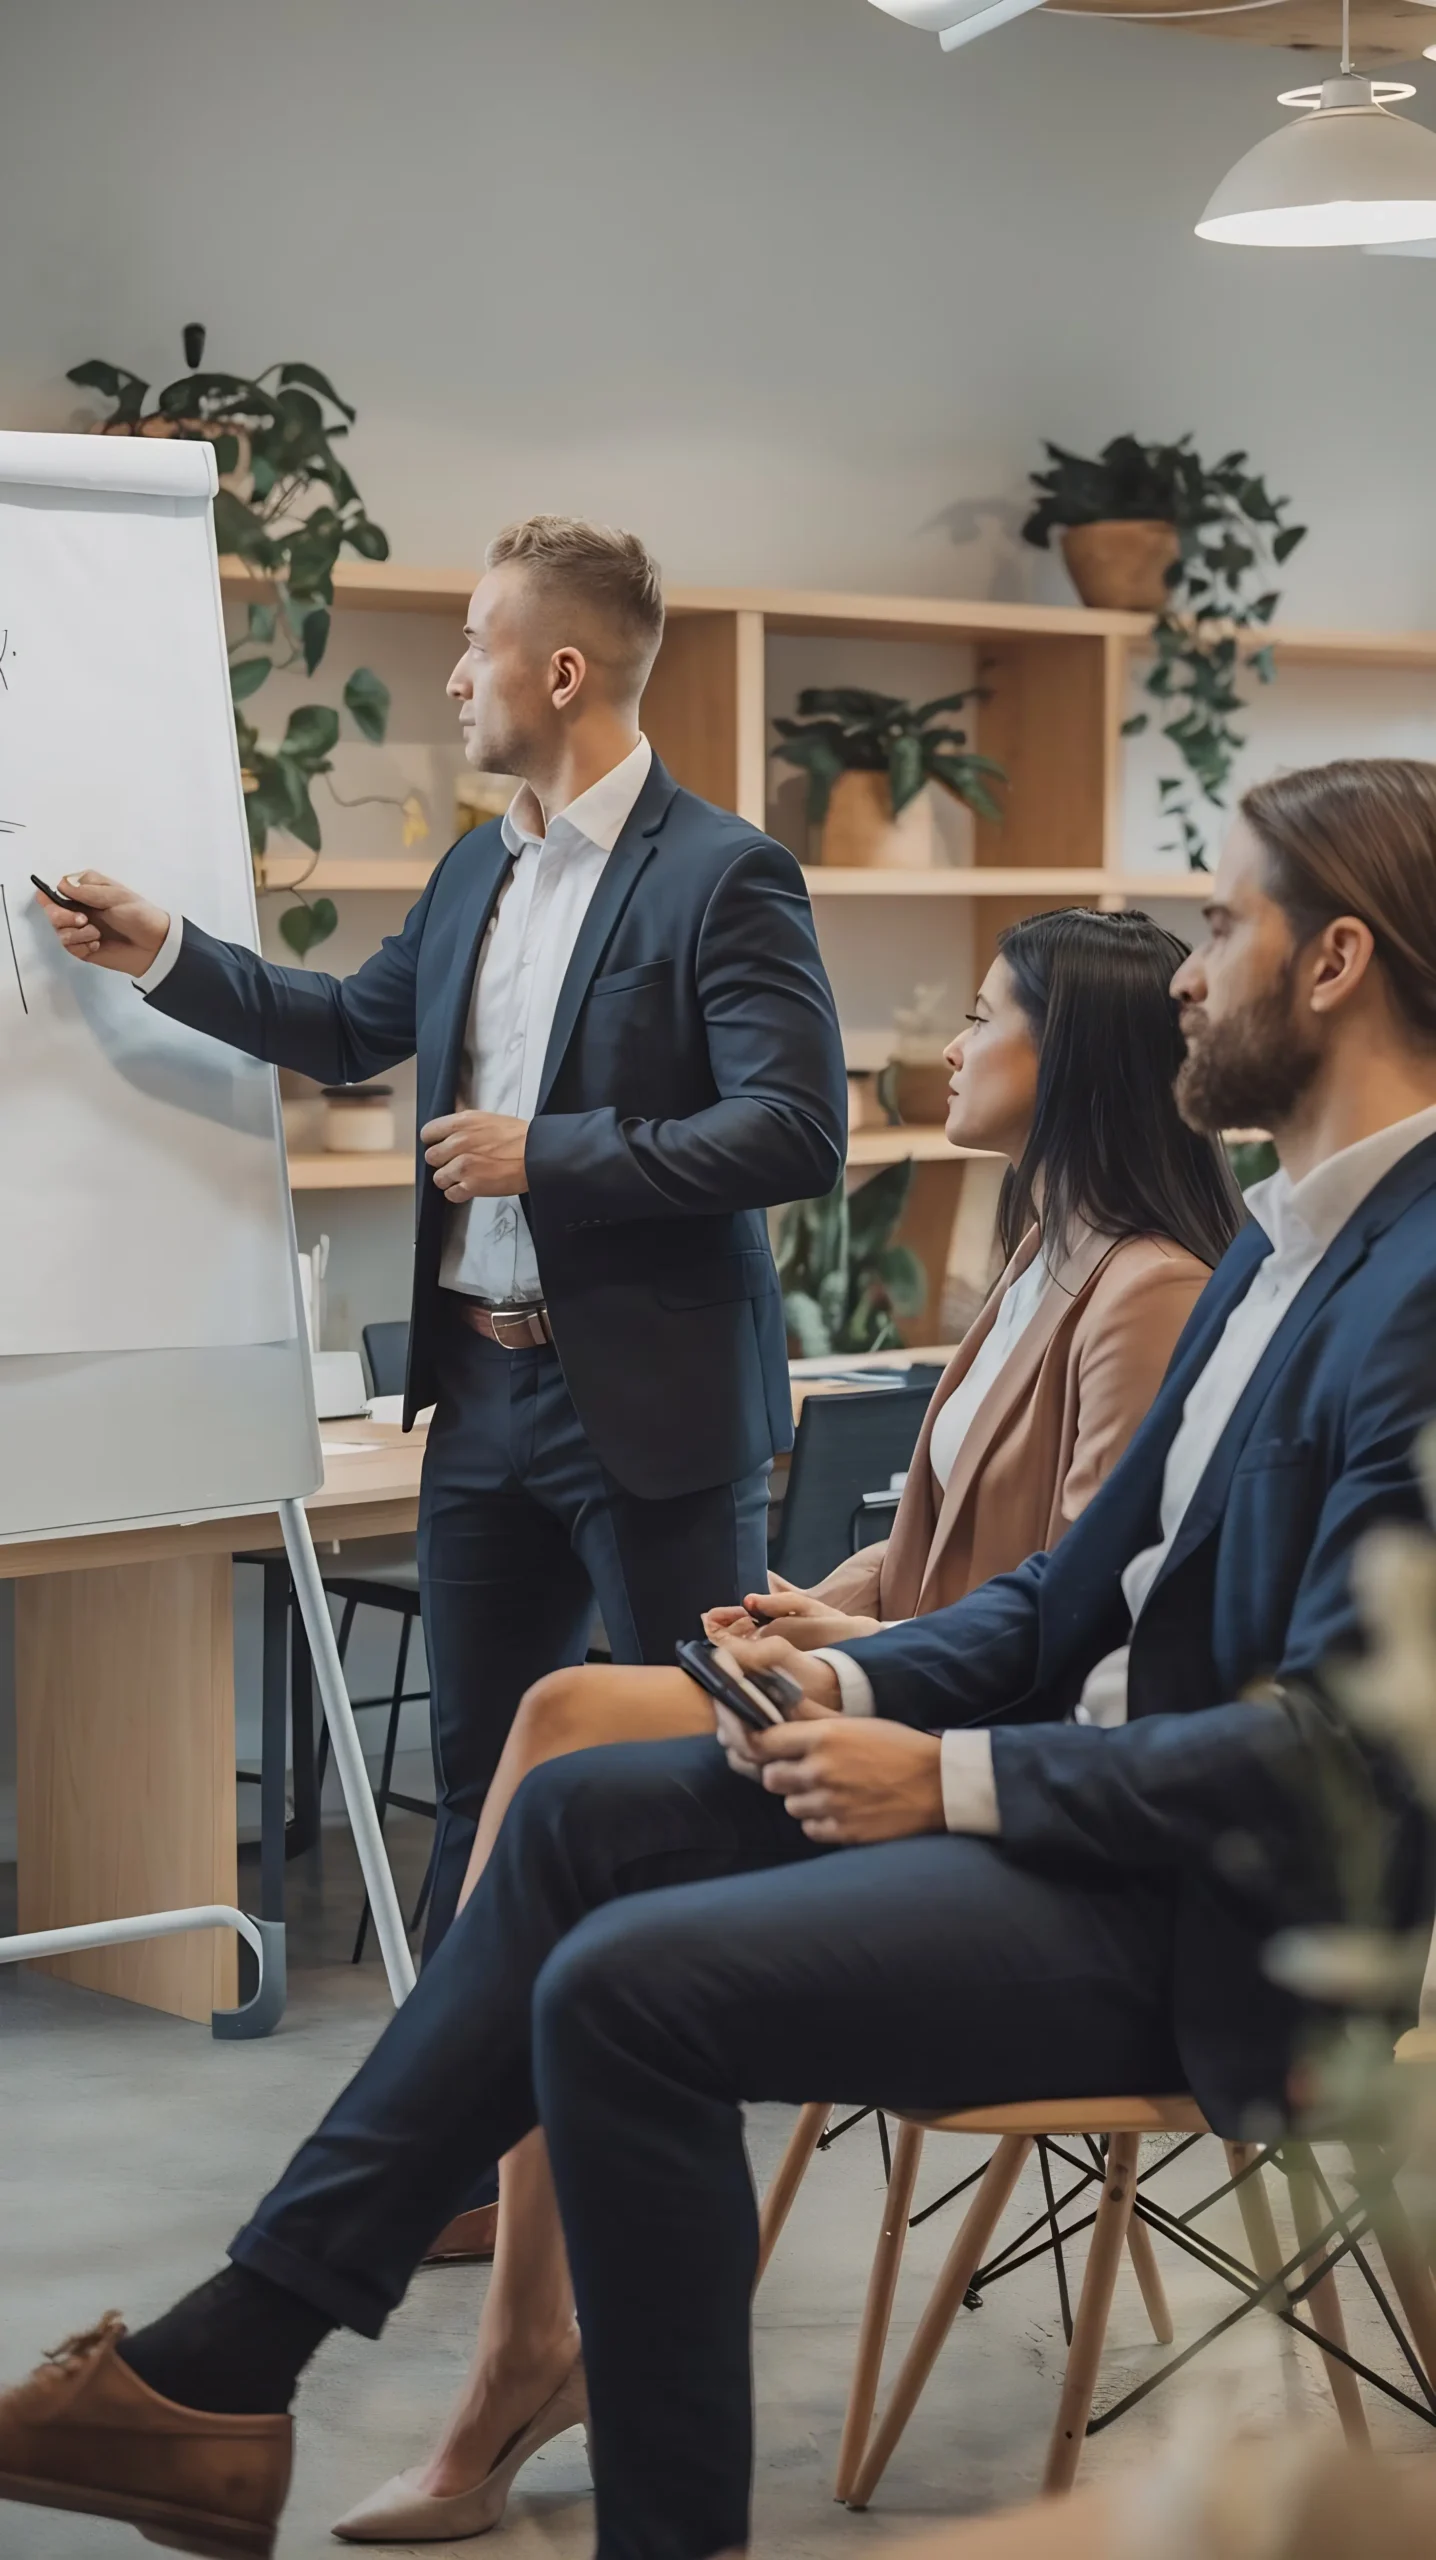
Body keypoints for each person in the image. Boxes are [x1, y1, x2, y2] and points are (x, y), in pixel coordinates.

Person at [9, 757, 1436, 2560]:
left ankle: (531, 2487)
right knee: (573, 1815)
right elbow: (1076, 1597)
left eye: (1223, 923)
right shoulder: (1278, 1250)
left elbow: (1340, 1753)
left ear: (1338, 964)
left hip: (1209, 1919)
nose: (1180, 973)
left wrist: (952, 1770)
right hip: (1070, 1823)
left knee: (624, 1991)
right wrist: (856, 1681)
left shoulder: (1413, 1283)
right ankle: (233, 2366)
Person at [328, 904, 1242, 2541]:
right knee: (558, 1731)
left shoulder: (1147, 1290)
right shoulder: (1044, 1252)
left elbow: (1088, 1603)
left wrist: (868, 1647)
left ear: (1075, 1058)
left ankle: (515, 2332)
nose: (949, 1048)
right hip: (913, 1673)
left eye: (983, 1019)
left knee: (560, 1736)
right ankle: (519, 2330)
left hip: (999, 1759)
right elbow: (950, 1527)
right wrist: (834, 1597)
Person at [36, 512, 847, 2253]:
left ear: (563, 670)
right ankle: (488, 2165)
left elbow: (797, 1133)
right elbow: (350, 1028)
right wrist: (163, 950)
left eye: (476, 647)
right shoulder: (482, 866)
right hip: (481, 1406)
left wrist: (549, 1153)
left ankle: (666, 2143)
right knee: (479, 1788)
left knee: (687, 1774)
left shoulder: (724, 874)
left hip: (658, 1417)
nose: (455, 677)